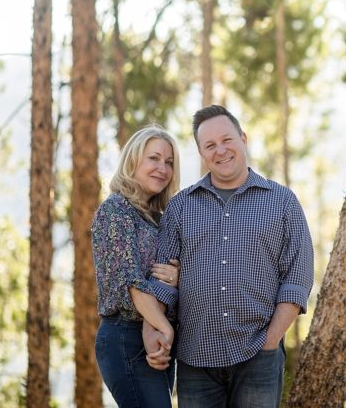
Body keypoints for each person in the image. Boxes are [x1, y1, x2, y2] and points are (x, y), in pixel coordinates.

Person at [145, 105, 315, 407]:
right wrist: (152, 329)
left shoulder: (282, 202)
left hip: (258, 356)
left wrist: (270, 341)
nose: (220, 150)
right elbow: (163, 279)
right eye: (209, 145)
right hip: (195, 358)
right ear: (201, 153)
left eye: (227, 140)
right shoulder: (180, 206)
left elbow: (297, 279)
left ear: (243, 139)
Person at [92, 125, 182, 408]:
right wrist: (164, 327)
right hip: (125, 337)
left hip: (157, 337)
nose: (162, 169)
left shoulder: (160, 219)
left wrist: (178, 276)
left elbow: (171, 274)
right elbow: (131, 282)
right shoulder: (116, 209)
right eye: (153, 158)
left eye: (169, 162)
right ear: (133, 160)